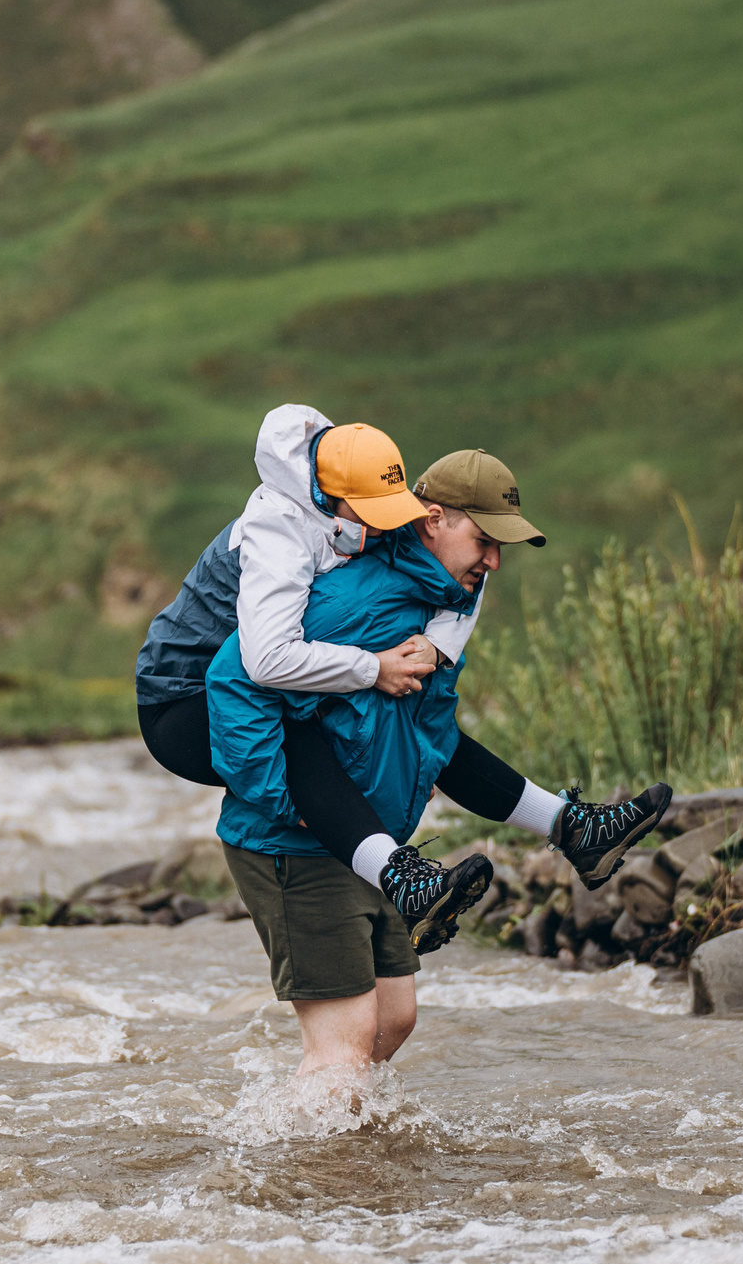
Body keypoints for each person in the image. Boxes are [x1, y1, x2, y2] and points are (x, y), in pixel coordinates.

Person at [205, 449, 674, 1077]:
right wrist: (287, 802)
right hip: (297, 844)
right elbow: (234, 679)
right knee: (344, 1044)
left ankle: (323, 1148)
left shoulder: (437, 608)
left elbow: (435, 740)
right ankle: (296, 1168)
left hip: (371, 845)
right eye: (484, 540)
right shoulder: (355, 599)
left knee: (393, 1022)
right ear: (432, 520)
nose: (494, 560)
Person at [135, 406, 499, 951]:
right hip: (181, 701)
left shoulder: (364, 495)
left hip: (257, 685)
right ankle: (402, 879)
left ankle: (564, 827)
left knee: (419, 729)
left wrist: (441, 643)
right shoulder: (277, 531)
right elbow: (265, 662)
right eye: (373, 511)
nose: (385, 522)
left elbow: (454, 563)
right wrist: (373, 669)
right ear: (331, 493)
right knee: (300, 739)